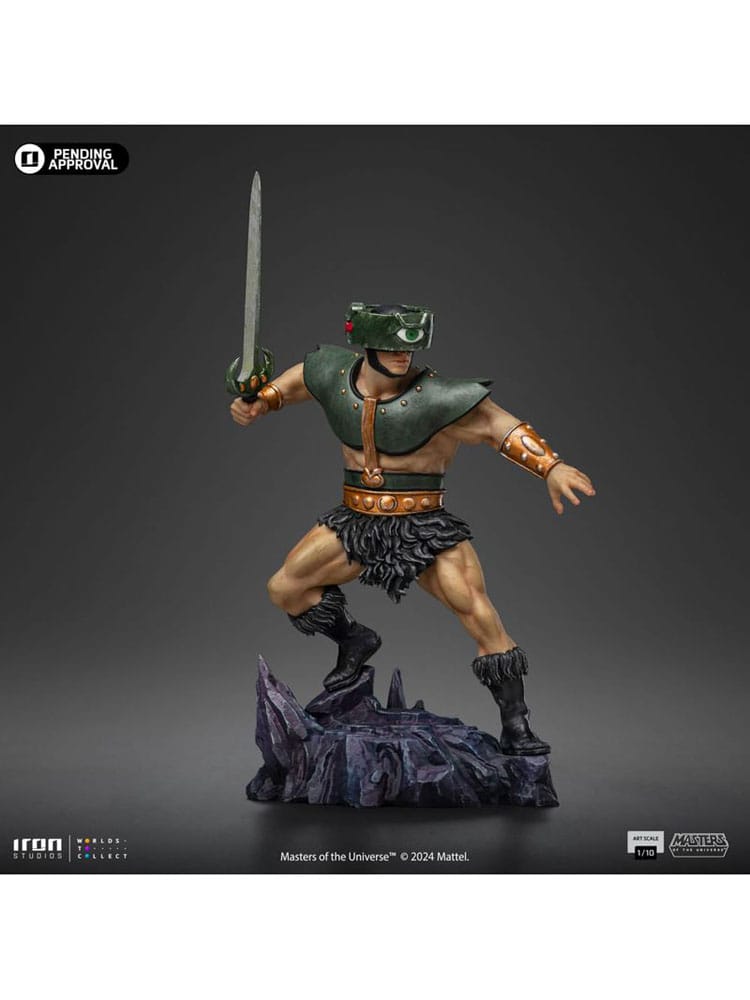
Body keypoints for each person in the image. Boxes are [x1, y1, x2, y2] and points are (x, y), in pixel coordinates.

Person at [229, 303, 595, 755]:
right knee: (286, 587)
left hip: (424, 527)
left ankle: (516, 723)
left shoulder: (439, 398)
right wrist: (262, 401)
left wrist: (551, 467)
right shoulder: (333, 375)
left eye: (409, 349)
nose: (403, 356)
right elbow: (299, 379)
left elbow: (498, 425)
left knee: (479, 614)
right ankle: (354, 639)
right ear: (366, 346)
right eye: (391, 348)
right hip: (357, 521)